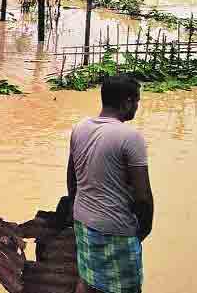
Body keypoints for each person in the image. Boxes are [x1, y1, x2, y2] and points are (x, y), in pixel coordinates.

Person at [67, 74, 154, 293]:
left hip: (83, 221)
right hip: (116, 229)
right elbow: (143, 196)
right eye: (136, 101)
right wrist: (142, 231)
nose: (137, 107)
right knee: (125, 288)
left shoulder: (80, 128)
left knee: (87, 280)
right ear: (127, 102)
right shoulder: (130, 137)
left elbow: (72, 178)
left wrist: (75, 210)